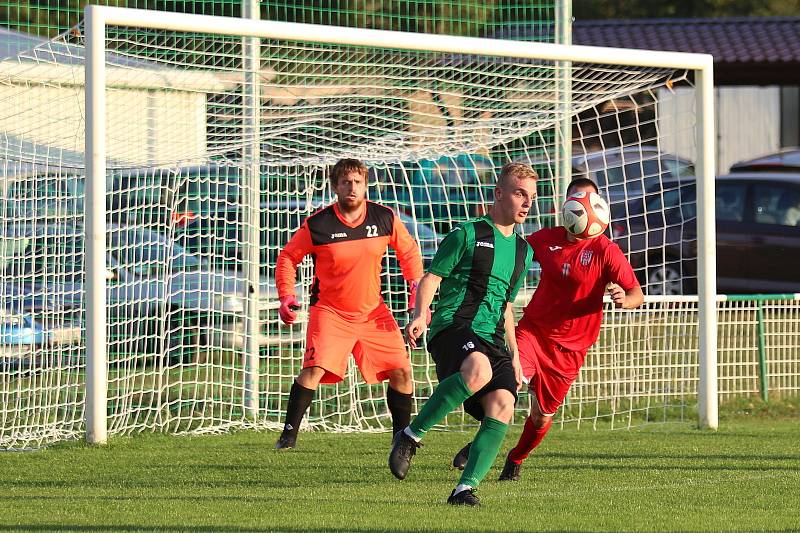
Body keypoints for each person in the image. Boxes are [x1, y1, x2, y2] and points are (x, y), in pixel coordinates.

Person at [451, 176, 644, 482]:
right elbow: (512, 254)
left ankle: (516, 458)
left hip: (571, 349)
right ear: (567, 205)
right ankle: (479, 446)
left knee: (541, 417)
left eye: (590, 200)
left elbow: (637, 293)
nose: (583, 206)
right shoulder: (546, 239)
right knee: (508, 386)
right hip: (534, 333)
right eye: (577, 199)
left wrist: (625, 299)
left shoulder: (606, 250)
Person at [388, 162, 538, 507]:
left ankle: (463, 489)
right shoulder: (467, 234)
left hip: (493, 338)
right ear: (499, 194)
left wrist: (515, 357)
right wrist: (419, 314)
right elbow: (432, 278)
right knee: (479, 369)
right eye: (519, 193)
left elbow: (506, 307)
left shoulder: (523, 251)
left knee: (503, 405)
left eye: (531, 196)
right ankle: (410, 436)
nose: (527, 203)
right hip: (454, 327)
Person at [274, 158, 426, 450]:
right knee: (314, 370)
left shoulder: (384, 218)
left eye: (357, 182)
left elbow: (409, 254)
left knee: (402, 371)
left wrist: (416, 292)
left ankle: (401, 439)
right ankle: (288, 436)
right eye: (345, 182)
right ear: (335, 187)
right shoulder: (318, 224)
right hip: (330, 312)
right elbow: (288, 258)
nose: (352, 187)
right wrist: (286, 296)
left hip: (373, 312)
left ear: (366, 185)